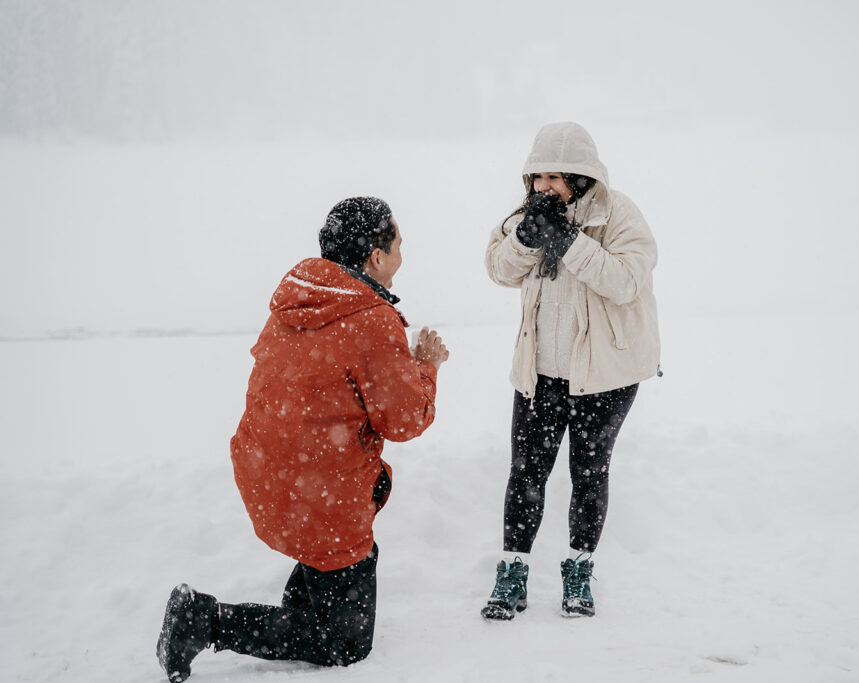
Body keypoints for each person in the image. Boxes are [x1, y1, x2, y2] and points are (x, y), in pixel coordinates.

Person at [157, 197, 449, 682]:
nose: (402, 251)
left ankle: (313, 597)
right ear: (376, 257)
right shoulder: (371, 320)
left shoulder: (300, 298)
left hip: (270, 479)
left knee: (331, 561)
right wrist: (427, 366)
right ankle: (203, 620)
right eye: (398, 242)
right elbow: (404, 421)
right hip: (322, 499)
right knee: (344, 645)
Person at [481, 122, 660, 620]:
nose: (544, 188)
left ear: (581, 178)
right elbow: (498, 268)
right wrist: (526, 237)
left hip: (604, 378)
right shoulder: (528, 214)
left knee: (588, 472)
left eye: (555, 178)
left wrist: (567, 240)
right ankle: (513, 571)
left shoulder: (620, 216)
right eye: (537, 177)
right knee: (525, 472)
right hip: (540, 374)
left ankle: (579, 570)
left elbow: (626, 281)